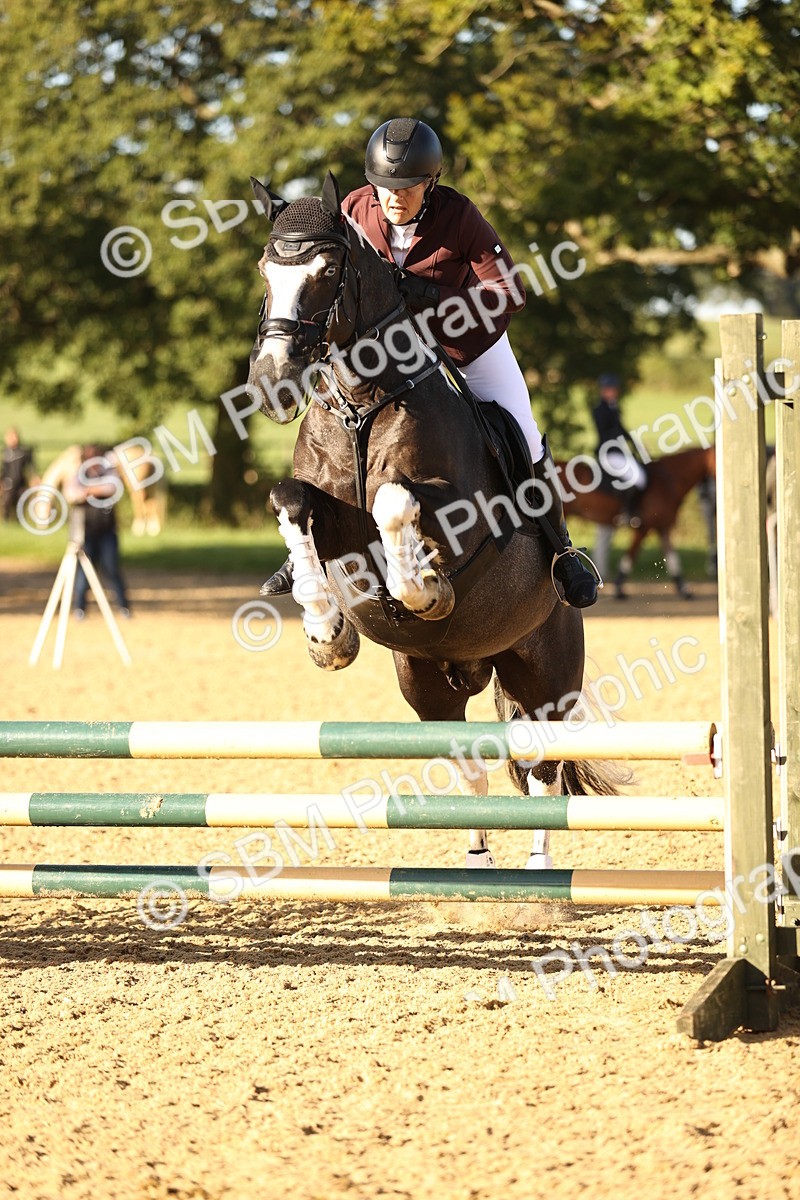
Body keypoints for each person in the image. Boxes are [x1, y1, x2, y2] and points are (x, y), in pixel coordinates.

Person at [263, 118, 598, 608]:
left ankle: (560, 550)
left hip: (464, 347)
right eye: (385, 186)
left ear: (431, 182)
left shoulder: (459, 216)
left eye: (408, 187)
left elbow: (510, 294)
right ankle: (304, 549)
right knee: (330, 423)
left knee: (524, 434)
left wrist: (430, 294)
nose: (395, 197)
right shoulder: (354, 208)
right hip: (387, 352)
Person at [64, 444, 131, 619]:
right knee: (83, 573)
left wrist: (88, 491)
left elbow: (111, 487)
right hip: (86, 534)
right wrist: (90, 491)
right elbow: (71, 493)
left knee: (111, 569)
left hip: (107, 533)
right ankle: (80, 609)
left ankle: (124, 607)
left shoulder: (108, 473)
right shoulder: (78, 475)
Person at [592, 373, 648, 527]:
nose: (612, 392)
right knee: (638, 478)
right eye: (608, 389)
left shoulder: (614, 408)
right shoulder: (600, 410)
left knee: (642, 474)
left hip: (617, 452)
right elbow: (606, 433)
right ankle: (626, 513)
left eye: (614, 389)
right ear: (603, 391)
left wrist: (637, 446)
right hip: (608, 453)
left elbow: (623, 430)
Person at [2, 427, 35, 521]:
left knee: (20, 501)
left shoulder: (23, 452)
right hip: (9, 482)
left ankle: (19, 520)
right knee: (7, 501)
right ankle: (6, 520)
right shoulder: (6, 453)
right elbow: (3, 469)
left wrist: (32, 477)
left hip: (21, 482)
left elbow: (30, 467)